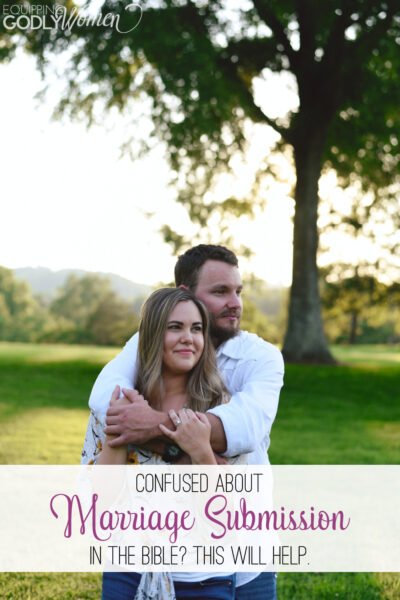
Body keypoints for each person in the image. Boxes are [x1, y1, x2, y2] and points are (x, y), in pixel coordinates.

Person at [82, 244, 284, 600]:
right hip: (131, 562)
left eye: (238, 291)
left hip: (230, 560)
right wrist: (127, 427)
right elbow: (99, 499)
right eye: (220, 291)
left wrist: (177, 439)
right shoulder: (126, 399)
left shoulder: (254, 367)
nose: (234, 302)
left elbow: (241, 434)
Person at [93, 287, 238, 599]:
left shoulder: (221, 411)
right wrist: (119, 432)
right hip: (127, 571)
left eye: (197, 328)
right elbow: (100, 505)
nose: (189, 338)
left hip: (204, 579)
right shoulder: (119, 399)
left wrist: (200, 451)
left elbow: (223, 519)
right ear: (153, 335)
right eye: (175, 327)